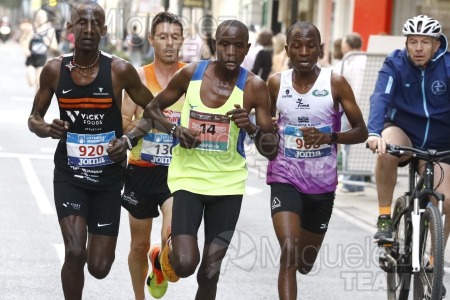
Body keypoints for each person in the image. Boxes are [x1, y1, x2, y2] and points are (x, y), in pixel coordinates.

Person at [125, 19, 279, 300]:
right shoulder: (192, 75)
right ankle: (163, 257)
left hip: (228, 187)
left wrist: (252, 128)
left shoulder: (255, 87)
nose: (230, 52)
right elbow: (152, 108)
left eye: (237, 46)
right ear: (215, 45)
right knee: (185, 264)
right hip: (188, 181)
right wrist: (175, 130)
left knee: (210, 271)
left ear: (247, 49)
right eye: (224, 44)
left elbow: (271, 149)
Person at [27, 2, 155, 298]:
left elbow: (152, 111)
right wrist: (47, 129)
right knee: (74, 250)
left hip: (108, 179)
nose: (87, 29)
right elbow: (34, 118)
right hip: (70, 175)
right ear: (70, 29)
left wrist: (129, 140)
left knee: (99, 266)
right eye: (81, 23)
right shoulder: (54, 70)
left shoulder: (120, 71)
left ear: (104, 30)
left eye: (94, 23)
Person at [266, 22, 368, 300]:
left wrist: (330, 138)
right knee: (288, 252)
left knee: (304, 264)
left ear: (321, 49)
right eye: (297, 45)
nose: (304, 51)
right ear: (287, 49)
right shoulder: (276, 83)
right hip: (285, 177)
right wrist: (264, 134)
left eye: (311, 45)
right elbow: (265, 128)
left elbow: (362, 131)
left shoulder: (335, 82)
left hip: (322, 187)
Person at [367, 14, 450, 253]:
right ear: (406, 44)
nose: (418, 48)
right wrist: (374, 133)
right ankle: (384, 217)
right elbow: (380, 97)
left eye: (425, 42)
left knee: (446, 201)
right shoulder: (395, 64)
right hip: (403, 130)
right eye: (413, 41)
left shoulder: (447, 66)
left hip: (439, 140)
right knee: (386, 152)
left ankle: (434, 264)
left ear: (437, 44)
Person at [121, 12, 185, 300]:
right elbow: (122, 121)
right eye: (162, 37)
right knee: (138, 245)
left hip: (177, 172)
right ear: (151, 39)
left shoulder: (191, 76)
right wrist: (150, 125)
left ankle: (162, 258)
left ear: (182, 40)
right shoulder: (139, 77)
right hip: (141, 169)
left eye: (174, 37)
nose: (169, 43)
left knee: (174, 247)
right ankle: (139, 296)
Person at [338, 32, 367, 193]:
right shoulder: (363, 59)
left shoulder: (351, 61)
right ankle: (355, 181)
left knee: (351, 143)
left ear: (348, 45)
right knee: (357, 146)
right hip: (360, 107)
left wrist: (352, 112)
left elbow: (355, 87)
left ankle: (352, 182)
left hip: (353, 108)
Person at [21, 10, 59, 91]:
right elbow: (24, 41)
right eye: (38, 17)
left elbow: (55, 46)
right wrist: (25, 50)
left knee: (39, 83)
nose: (40, 19)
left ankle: (36, 102)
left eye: (42, 17)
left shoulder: (50, 30)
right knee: (31, 82)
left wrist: (48, 42)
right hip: (31, 58)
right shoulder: (31, 28)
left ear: (45, 18)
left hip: (43, 59)